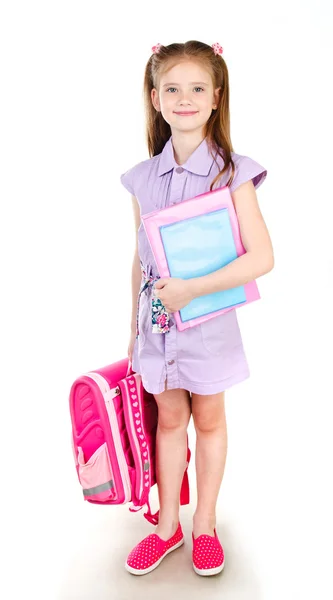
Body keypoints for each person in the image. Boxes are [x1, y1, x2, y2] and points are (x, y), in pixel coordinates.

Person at [120, 40, 274, 577]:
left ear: (216, 98)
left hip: (209, 325)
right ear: (156, 99)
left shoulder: (233, 174)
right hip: (157, 329)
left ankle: (203, 524)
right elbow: (139, 263)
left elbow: (263, 257)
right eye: (172, 89)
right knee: (169, 421)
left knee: (208, 420)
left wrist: (193, 289)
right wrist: (130, 336)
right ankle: (167, 527)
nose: (184, 99)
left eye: (197, 88)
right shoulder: (142, 179)